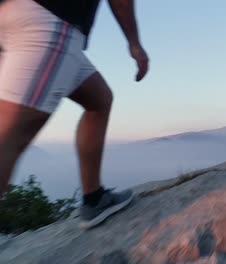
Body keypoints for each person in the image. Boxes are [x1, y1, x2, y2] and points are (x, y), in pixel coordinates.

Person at [0, 0, 149, 229]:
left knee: (99, 100)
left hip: (15, 17)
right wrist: (134, 43)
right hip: (51, 20)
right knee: (10, 135)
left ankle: (94, 199)